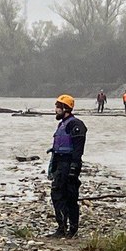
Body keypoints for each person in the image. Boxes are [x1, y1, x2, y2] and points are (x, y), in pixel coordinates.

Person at [47, 94, 87, 238]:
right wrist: (53, 167)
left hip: (69, 164)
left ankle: (71, 228)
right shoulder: (62, 124)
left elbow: (78, 149)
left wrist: (73, 168)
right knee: (58, 194)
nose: (56, 110)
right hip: (61, 164)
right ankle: (62, 227)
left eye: (58, 107)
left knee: (69, 196)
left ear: (66, 108)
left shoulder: (76, 125)